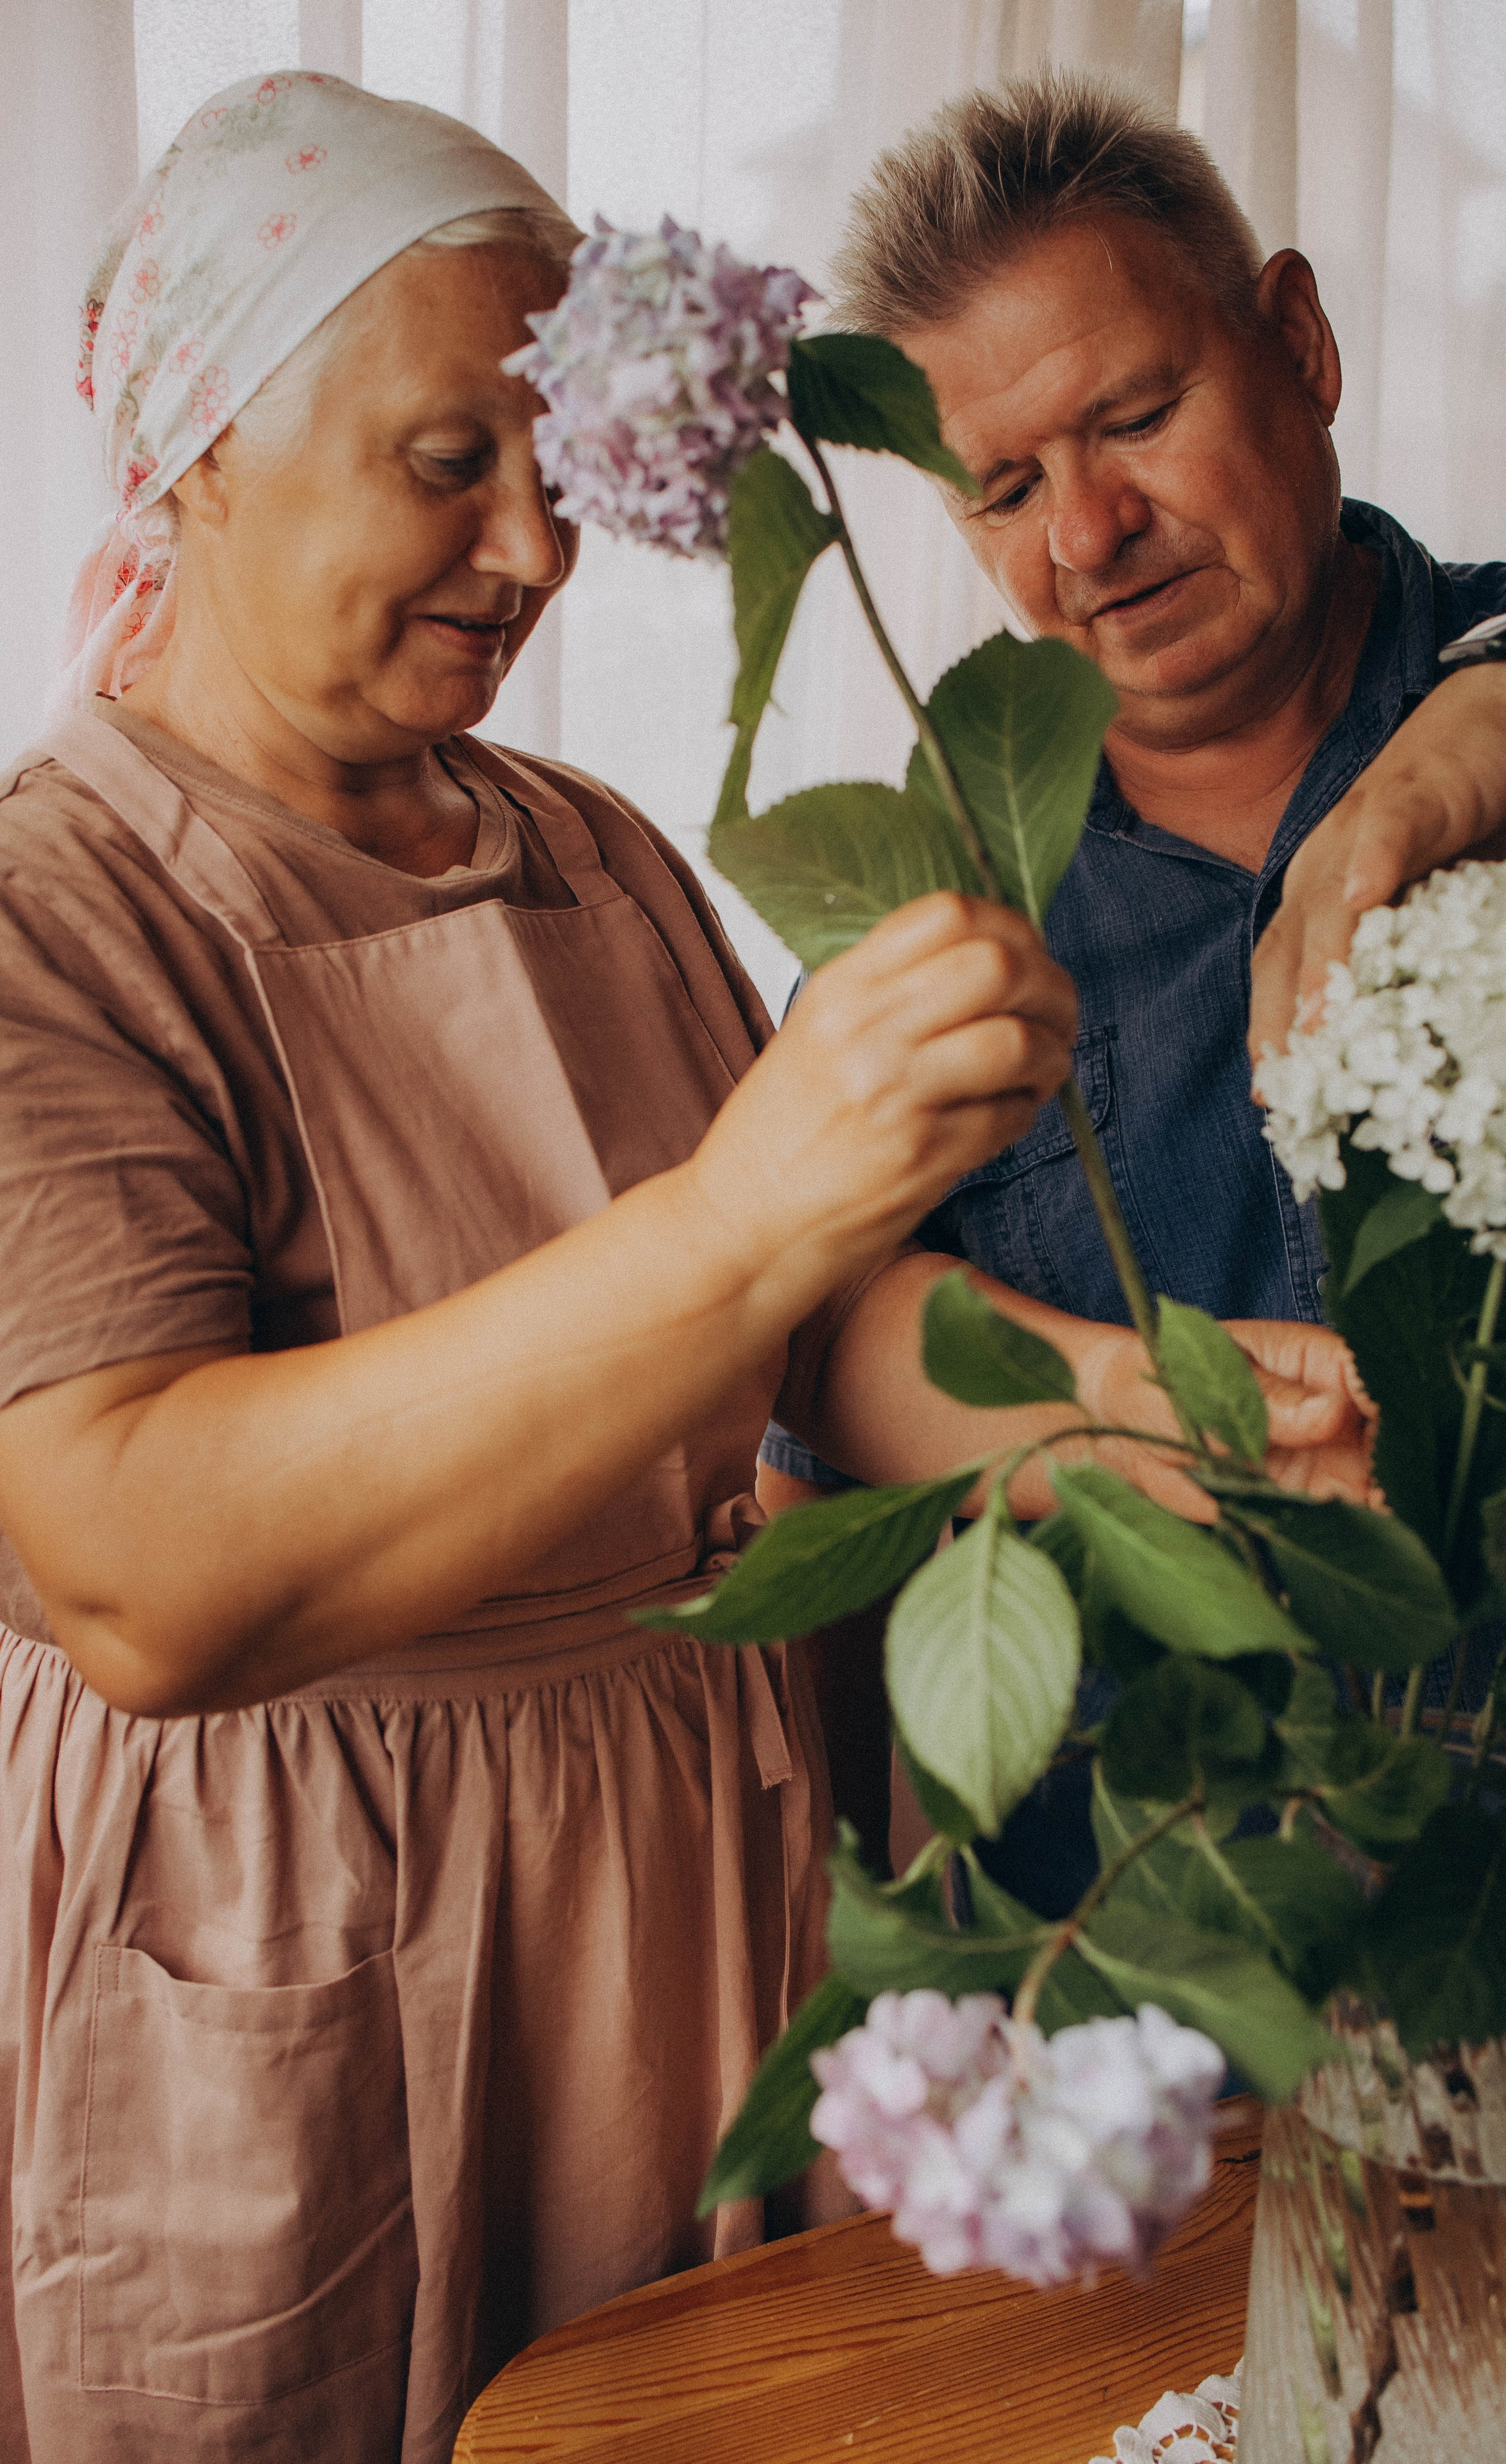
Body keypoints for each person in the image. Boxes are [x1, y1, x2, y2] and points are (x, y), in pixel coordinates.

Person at [0, 70, 1373, 2464]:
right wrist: (744, 1202)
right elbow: (138, 1560)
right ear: (203, 449)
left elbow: (817, 1339)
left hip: (707, 1902)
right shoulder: (60, 921)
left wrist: (1152, 1411)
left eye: (557, 468)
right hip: (312, 1929)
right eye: (453, 461)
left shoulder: (588, 849)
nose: (537, 550)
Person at [758, 68, 1506, 1909]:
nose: (1087, 536)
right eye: (1003, 490)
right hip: (1170, 1976)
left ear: (1300, 342)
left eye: (1137, 418)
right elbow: (807, 1436)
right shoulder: (936, 899)